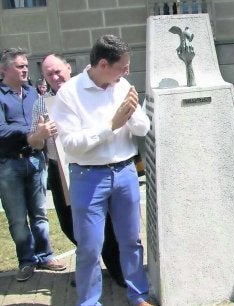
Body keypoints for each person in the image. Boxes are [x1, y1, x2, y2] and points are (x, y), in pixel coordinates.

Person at [50, 35, 153, 306]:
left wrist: (131, 114)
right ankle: (89, 302)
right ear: (103, 64)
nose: (128, 72)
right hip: (88, 177)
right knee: (89, 247)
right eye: (123, 67)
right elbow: (71, 144)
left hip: (125, 172)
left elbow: (143, 128)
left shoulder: (122, 86)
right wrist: (112, 125)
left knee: (131, 240)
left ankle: (138, 295)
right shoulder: (69, 94)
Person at [26, 54, 126, 288]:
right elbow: (33, 142)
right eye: (49, 73)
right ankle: (90, 269)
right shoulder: (42, 103)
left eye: (58, 71)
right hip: (59, 170)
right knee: (70, 224)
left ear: (69, 68)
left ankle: (117, 269)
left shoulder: (85, 92)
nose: (55, 76)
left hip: (91, 167)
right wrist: (40, 134)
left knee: (105, 222)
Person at [0, 48, 67, 282]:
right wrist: (32, 132)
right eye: (19, 66)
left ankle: (45, 255)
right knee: (18, 218)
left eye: (26, 65)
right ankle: (26, 261)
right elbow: (1, 130)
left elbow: (46, 121)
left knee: (40, 214)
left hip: (36, 161)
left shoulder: (33, 95)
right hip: (9, 165)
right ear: (4, 69)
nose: (25, 69)